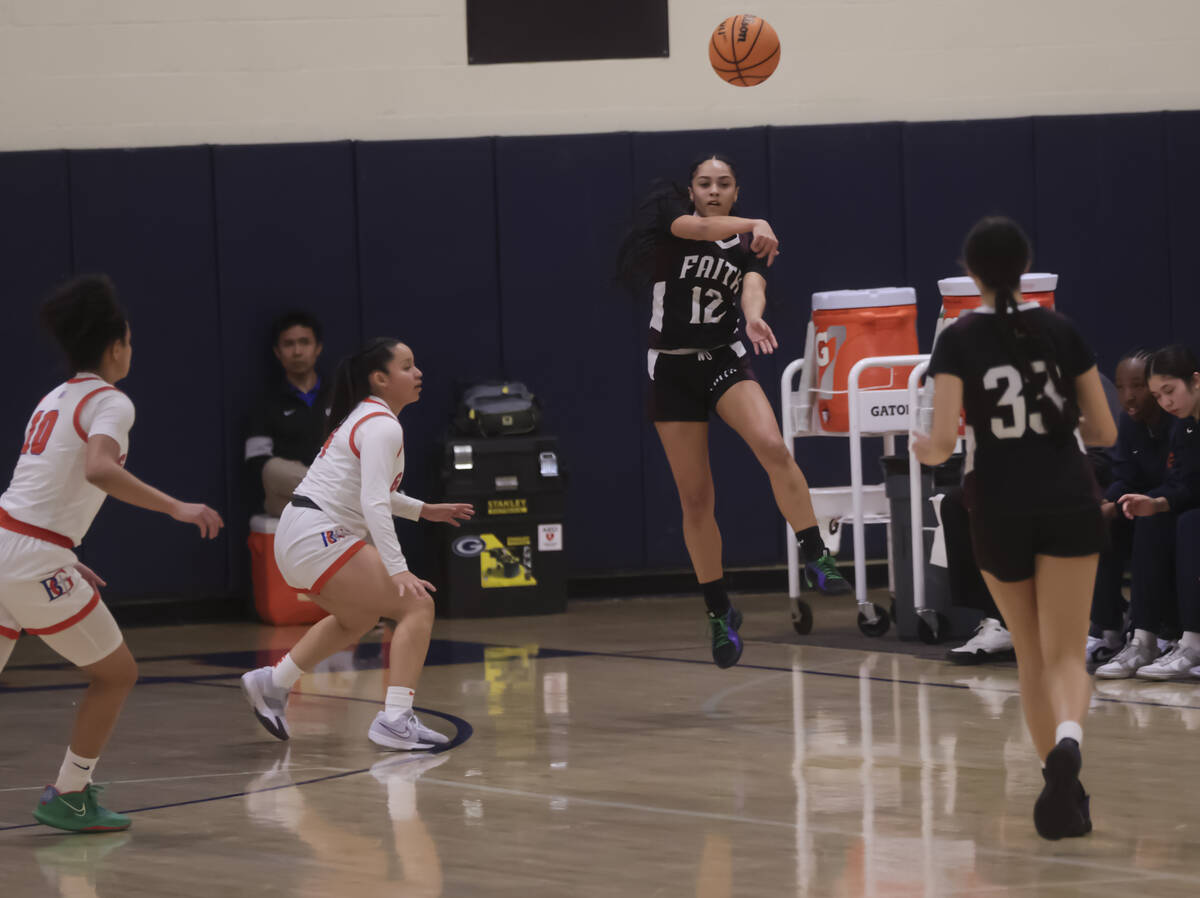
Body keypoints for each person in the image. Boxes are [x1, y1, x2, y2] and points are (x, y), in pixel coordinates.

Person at [911, 217, 1116, 840]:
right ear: (1026, 267)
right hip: (1066, 499)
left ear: (969, 270)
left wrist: (923, 448)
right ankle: (1070, 747)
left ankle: (1065, 786)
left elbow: (944, 440)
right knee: (1065, 653)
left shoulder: (959, 339)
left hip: (999, 507)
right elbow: (1105, 433)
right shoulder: (1061, 330)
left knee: (1030, 655)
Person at [0, 275, 224, 832]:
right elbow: (98, 468)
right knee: (117, 674)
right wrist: (177, 507)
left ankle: (72, 793)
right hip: (32, 560)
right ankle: (69, 795)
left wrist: (61, 551)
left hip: (8, 542)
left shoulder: (51, 399)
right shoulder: (110, 402)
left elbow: (41, 489)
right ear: (115, 345)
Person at [615, 154, 850, 670]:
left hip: (723, 358)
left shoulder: (746, 244)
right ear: (692, 190)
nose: (714, 190)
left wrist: (755, 318)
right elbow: (698, 226)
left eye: (724, 184)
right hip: (672, 371)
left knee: (771, 444)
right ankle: (718, 610)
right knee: (696, 498)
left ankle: (815, 551)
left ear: (736, 190)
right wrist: (757, 221)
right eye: (706, 183)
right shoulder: (673, 224)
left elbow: (753, 284)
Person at [240, 337, 473, 750]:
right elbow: (372, 501)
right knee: (417, 604)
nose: (418, 373)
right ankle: (396, 720)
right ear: (380, 379)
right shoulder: (382, 425)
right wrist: (397, 567)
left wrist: (424, 510)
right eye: (407, 366)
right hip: (317, 533)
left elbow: (371, 492)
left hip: (299, 534)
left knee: (357, 619)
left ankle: (273, 682)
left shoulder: (367, 417)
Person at [1098, 345, 1200, 680]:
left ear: (1195, 381)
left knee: (1188, 523)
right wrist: (1149, 503)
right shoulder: (1186, 425)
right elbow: (1186, 483)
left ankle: (1192, 641)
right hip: (1181, 505)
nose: (1165, 402)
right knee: (1154, 519)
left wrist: (1160, 500)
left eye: (1169, 391)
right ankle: (1142, 638)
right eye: (1158, 395)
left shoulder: (1180, 423)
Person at [1088, 349, 1174, 671]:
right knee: (1100, 525)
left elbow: (1180, 481)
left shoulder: (1178, 421)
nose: (1128, 396)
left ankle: (1152, 632)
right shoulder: (1128, 422)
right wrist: (1109, 503)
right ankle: (1107, 630)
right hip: (1139, 507)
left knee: (1152, 525)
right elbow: (1124, 473)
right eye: (1121, 387)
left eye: (1137, 386)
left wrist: (1145, 502)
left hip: (1168, 508)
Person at [245, 311, 334, 518]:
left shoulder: (340, 395)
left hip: (338, 484)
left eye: (304, 342)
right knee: (273, 468)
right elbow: (257, 462)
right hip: (289, 499)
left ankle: (334, 500)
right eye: (289, 344)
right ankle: (334, 498)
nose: (297, 351)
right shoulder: (265, 403)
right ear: (278, 352)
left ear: (318, 348)